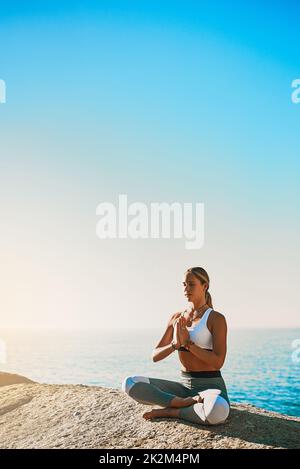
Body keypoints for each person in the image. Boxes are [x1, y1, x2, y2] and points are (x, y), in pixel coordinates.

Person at [121, 267, 230, 425]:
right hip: (183, 388)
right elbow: (155, 355)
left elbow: (218, 362)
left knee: (217, 411)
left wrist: (188, 344)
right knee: (130, 383)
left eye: (191, 284)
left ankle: (174, 412)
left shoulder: (216, 318)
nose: (186, 289)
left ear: (205, 286)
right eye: (184, 285)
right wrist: (174, 344)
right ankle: (178, 403)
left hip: (210, 386)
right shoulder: (176, 318)